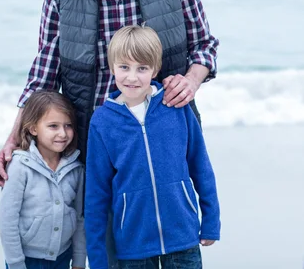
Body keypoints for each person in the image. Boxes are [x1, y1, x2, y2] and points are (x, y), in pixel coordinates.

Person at [0, 0, 219, 185]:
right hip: (93, 145)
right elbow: (42, 80)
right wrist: (14, 140)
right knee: (98, 228)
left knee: (167, 227)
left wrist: (190, 81)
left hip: (165, 138)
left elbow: (204, 47)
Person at [85, 25, 220, 269]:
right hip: (133, 246)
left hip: (183, 237)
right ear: (112, 66)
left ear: (155, 69)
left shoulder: (176, 107)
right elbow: (96, 193)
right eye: (124, 67)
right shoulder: (103, 122)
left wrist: (211, 219)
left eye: (142, 68)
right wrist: (98, 259)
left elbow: (200, 164)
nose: (132, 77)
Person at [0, 90, 86, 269]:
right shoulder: (20, 166)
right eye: (53, 126)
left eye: (68, 125)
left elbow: (79, 218)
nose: (63, 133)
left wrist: (78, 261)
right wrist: (16, 264)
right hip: (27, 260)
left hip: (63, 257)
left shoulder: (75, 168)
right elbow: (8, 221)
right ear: (33, 128)